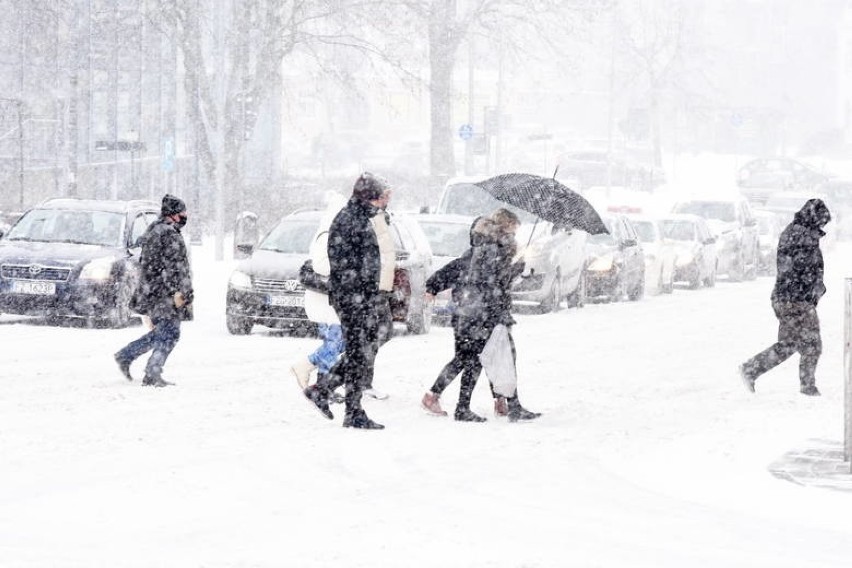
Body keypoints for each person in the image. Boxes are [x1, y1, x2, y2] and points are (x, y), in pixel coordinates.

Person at [423, 209, 541, 422]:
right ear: (506, 227)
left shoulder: (481, 246)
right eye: (514, 230)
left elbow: (458, 269)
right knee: (498, 357)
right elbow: (491, 281)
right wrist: (517, 269)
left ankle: (496, 403)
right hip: (484, 313)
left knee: (474, 358)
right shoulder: (494, 249)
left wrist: (433, 285)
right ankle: (496, 405)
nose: (515, 235)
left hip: (469, 312)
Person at [303, 172, 390, 429]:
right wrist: (363, 294)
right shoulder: (352, 220)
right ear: (368, 198)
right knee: (359, 353)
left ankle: (328, 393)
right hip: (354, 299)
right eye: (376, 200)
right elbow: (348, 264)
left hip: (356, 297)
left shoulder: (356, 217)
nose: (379, 205)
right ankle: (349, 409)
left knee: (359, 353)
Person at [739, 198, 831, 396]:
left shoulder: (795, 233)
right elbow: (801, 269)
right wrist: (811, 289)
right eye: (821, 222)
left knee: (790, 344)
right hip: (796, 300)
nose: (822, 226)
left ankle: (751, 369)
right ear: (814, 219)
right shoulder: (802, 236)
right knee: (812, 343)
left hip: (787, 298)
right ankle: (807, 386)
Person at [114, 194, 193, 387]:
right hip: (166, 294)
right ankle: (151, 372)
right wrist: (183, 292)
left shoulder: (155, 231)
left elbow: (152, 266)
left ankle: (126, 355)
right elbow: (178, 268)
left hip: (153, 291)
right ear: (173, 214)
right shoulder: (170, 235)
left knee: (163, 332)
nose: (185, 215)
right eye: (182, 212)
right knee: (170, 334)